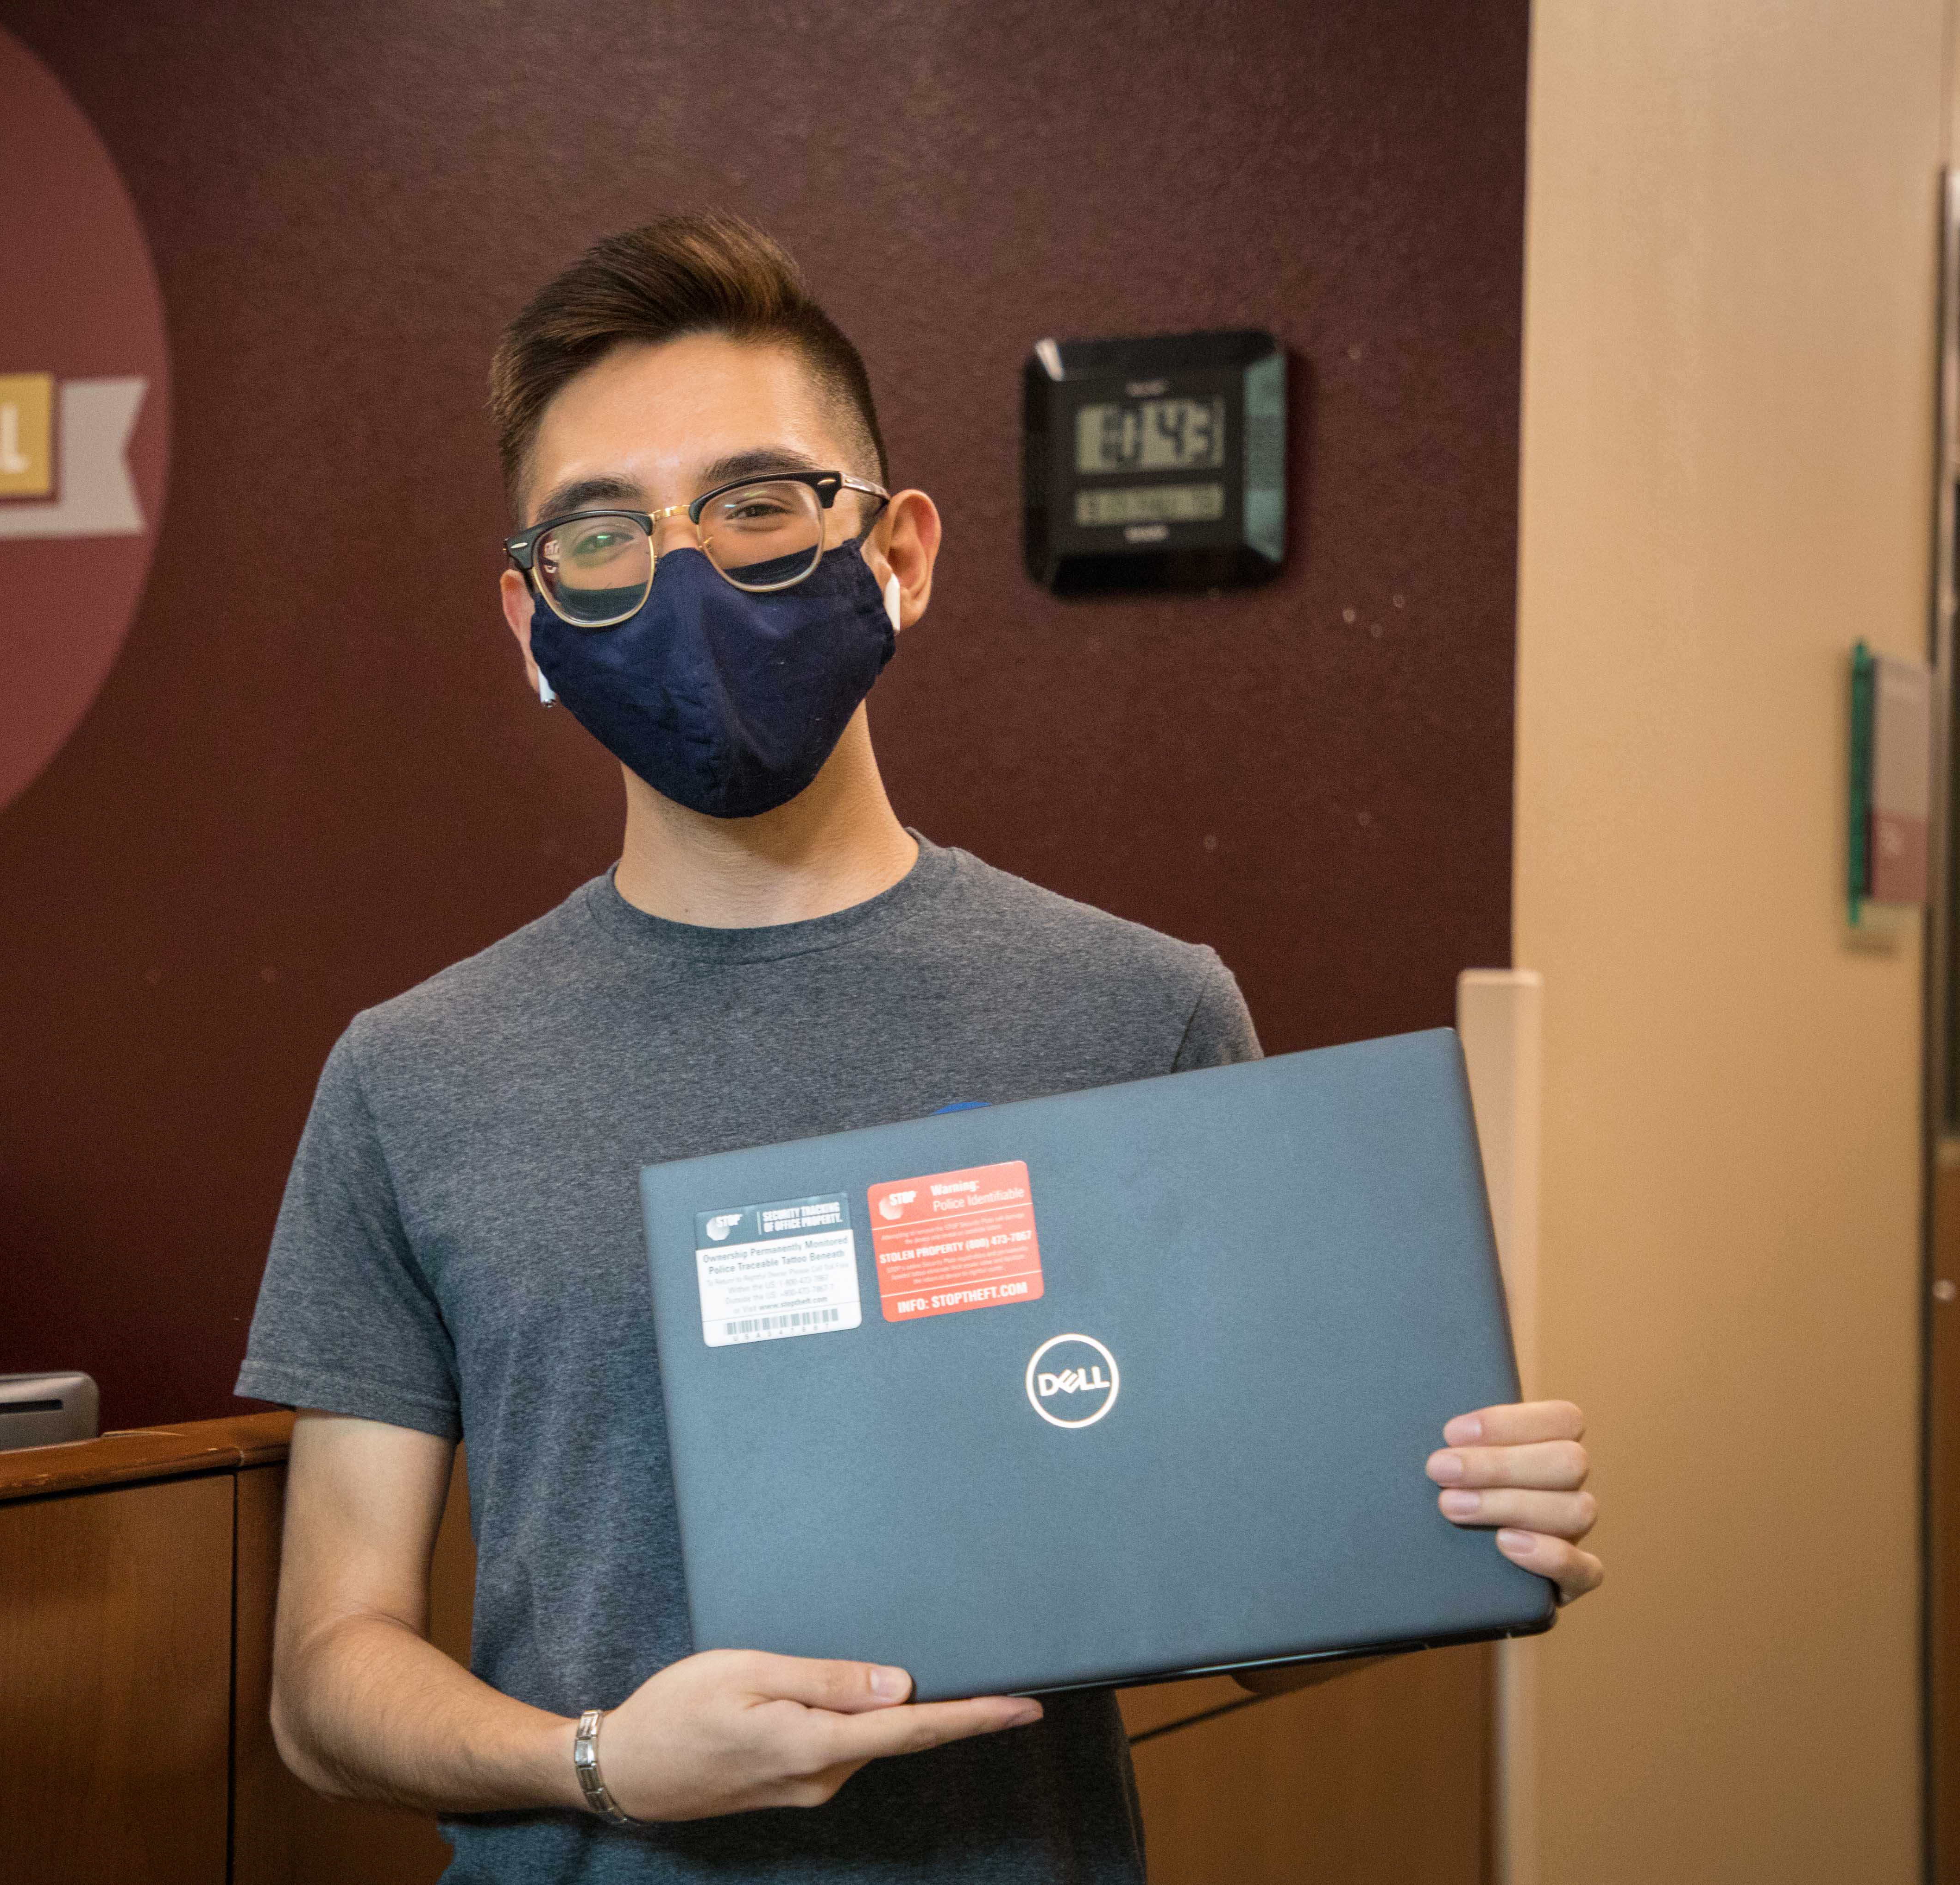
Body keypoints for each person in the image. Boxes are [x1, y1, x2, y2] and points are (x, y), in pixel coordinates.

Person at [236, 213, 1601, 1882]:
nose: (685, 576)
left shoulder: (1137, 1010)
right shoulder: (410, 1074)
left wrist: (1445, 1535)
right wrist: (599, 1763)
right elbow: (324, 1683)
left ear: (899, 553)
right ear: (528, 621)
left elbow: (1250, 1614)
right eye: (601, 534)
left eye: (756, 504)